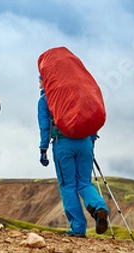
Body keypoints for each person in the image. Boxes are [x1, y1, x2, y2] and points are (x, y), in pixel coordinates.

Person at [37, 75, 109, 237]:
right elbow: (91, 116)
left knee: (68, 186)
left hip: (63, 143)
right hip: (85, 142)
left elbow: (45, 126)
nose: (39, 84)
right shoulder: (79, 94)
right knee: (84, 182)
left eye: (40, 80)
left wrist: (43, 148)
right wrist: (91, 140)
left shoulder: (46, 99)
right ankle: (99, 208)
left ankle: (78, 228)